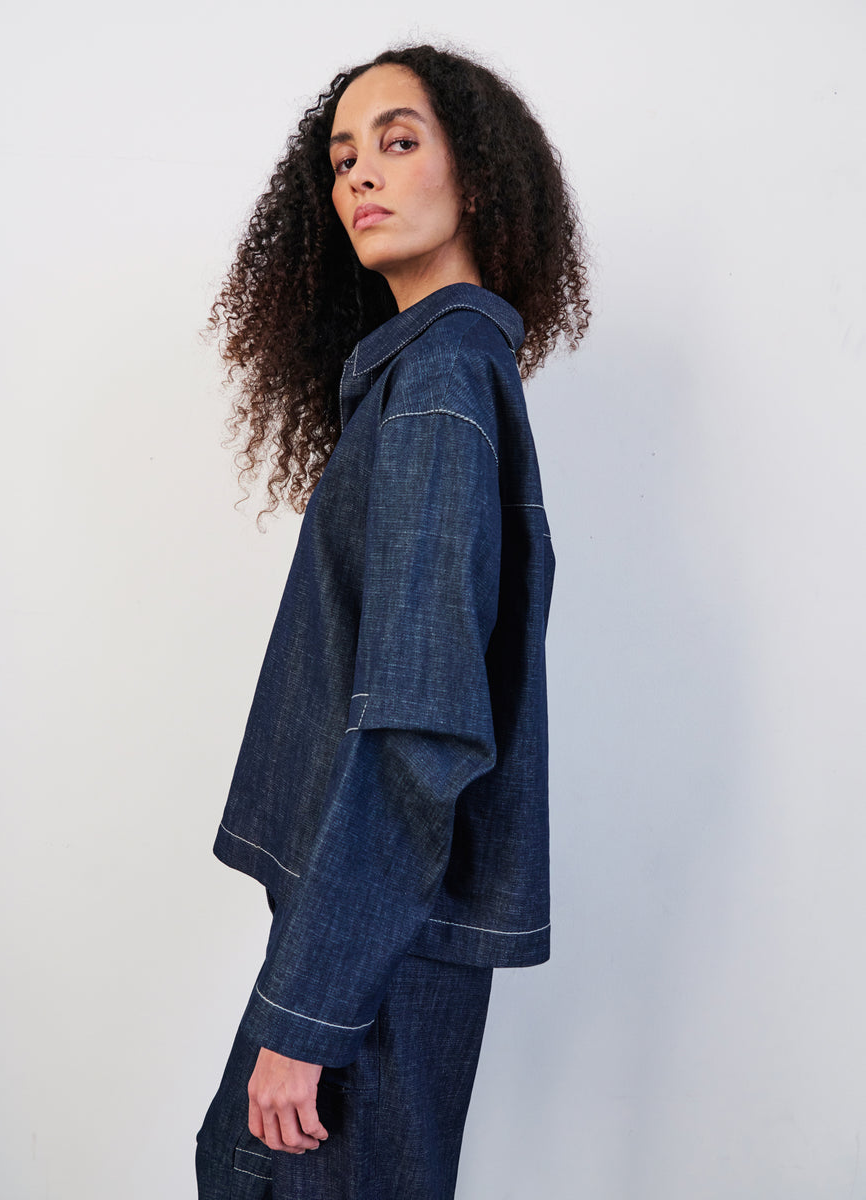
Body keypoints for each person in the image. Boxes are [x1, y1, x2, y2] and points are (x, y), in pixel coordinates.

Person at [195, 42, 590, 1200]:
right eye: (343, 155)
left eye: (399, 141)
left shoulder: (436, 392)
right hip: (385, 931)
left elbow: (420, 726)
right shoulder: (451, 376)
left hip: (371, 949)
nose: (361, 173)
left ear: (477, 179)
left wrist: (309, 1011)